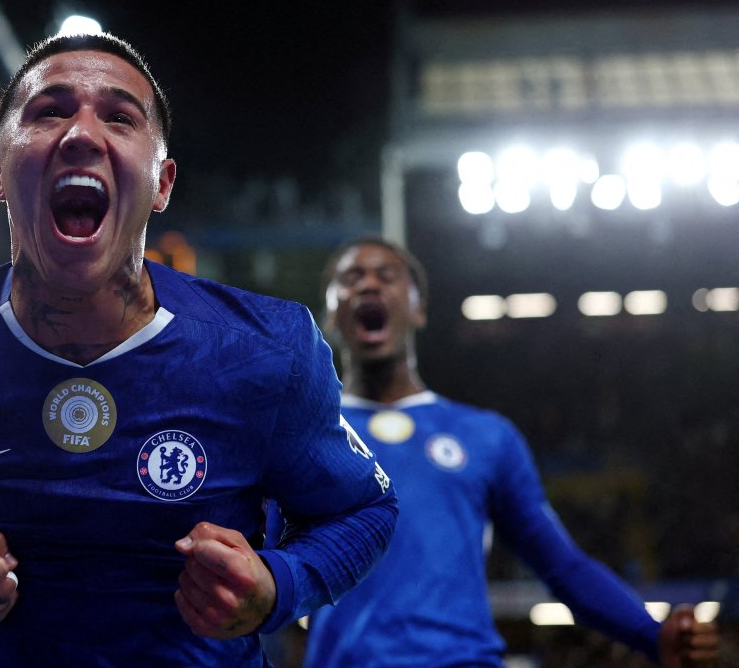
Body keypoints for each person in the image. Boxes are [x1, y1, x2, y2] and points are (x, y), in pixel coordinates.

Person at [0, 33, 397, 667]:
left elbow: (363, 508)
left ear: (162, 182)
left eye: (119, 116)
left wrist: (281, 586)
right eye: (49, 111)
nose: (82, 135)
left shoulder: (269, 351)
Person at [266, 237, 720, 667]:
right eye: (350, 278)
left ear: (419, 308)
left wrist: (650, 633)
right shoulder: (302, 436)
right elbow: (258, 566)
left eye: (387, 275)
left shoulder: (486, 436)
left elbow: (562, 564)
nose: (368, 283)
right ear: (328, 313)